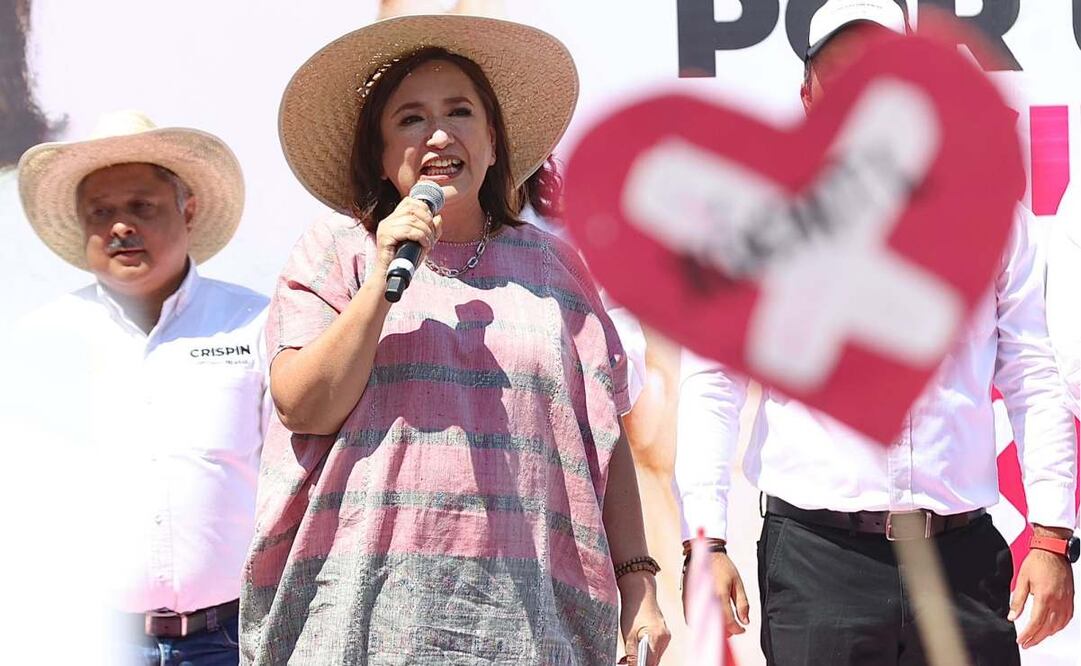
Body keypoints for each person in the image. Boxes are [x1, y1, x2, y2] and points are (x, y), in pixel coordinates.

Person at [241, 14, 669, 666]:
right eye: (409, 120)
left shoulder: (555, 270)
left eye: (460, 112)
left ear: (494, 144)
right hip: (365, 619)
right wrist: (382, 281)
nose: (438, 133)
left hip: (530, 623)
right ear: (381, 159)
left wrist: (639, 578)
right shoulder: (338, 253)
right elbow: (304, 404)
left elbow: (602, 437)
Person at [675, 1, 1078, 665]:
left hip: (962, 559)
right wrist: (704, 542)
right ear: (807, 96)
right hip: (815, 562)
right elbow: (711, 381)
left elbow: (1032, 375)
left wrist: (1049, 537)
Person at [10, 110, 269, 665]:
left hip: (233, 638)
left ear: (188, 210)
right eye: (101, 213)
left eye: (141, 206)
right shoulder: (42, 340)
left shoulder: (257, 324)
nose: (121, 227)